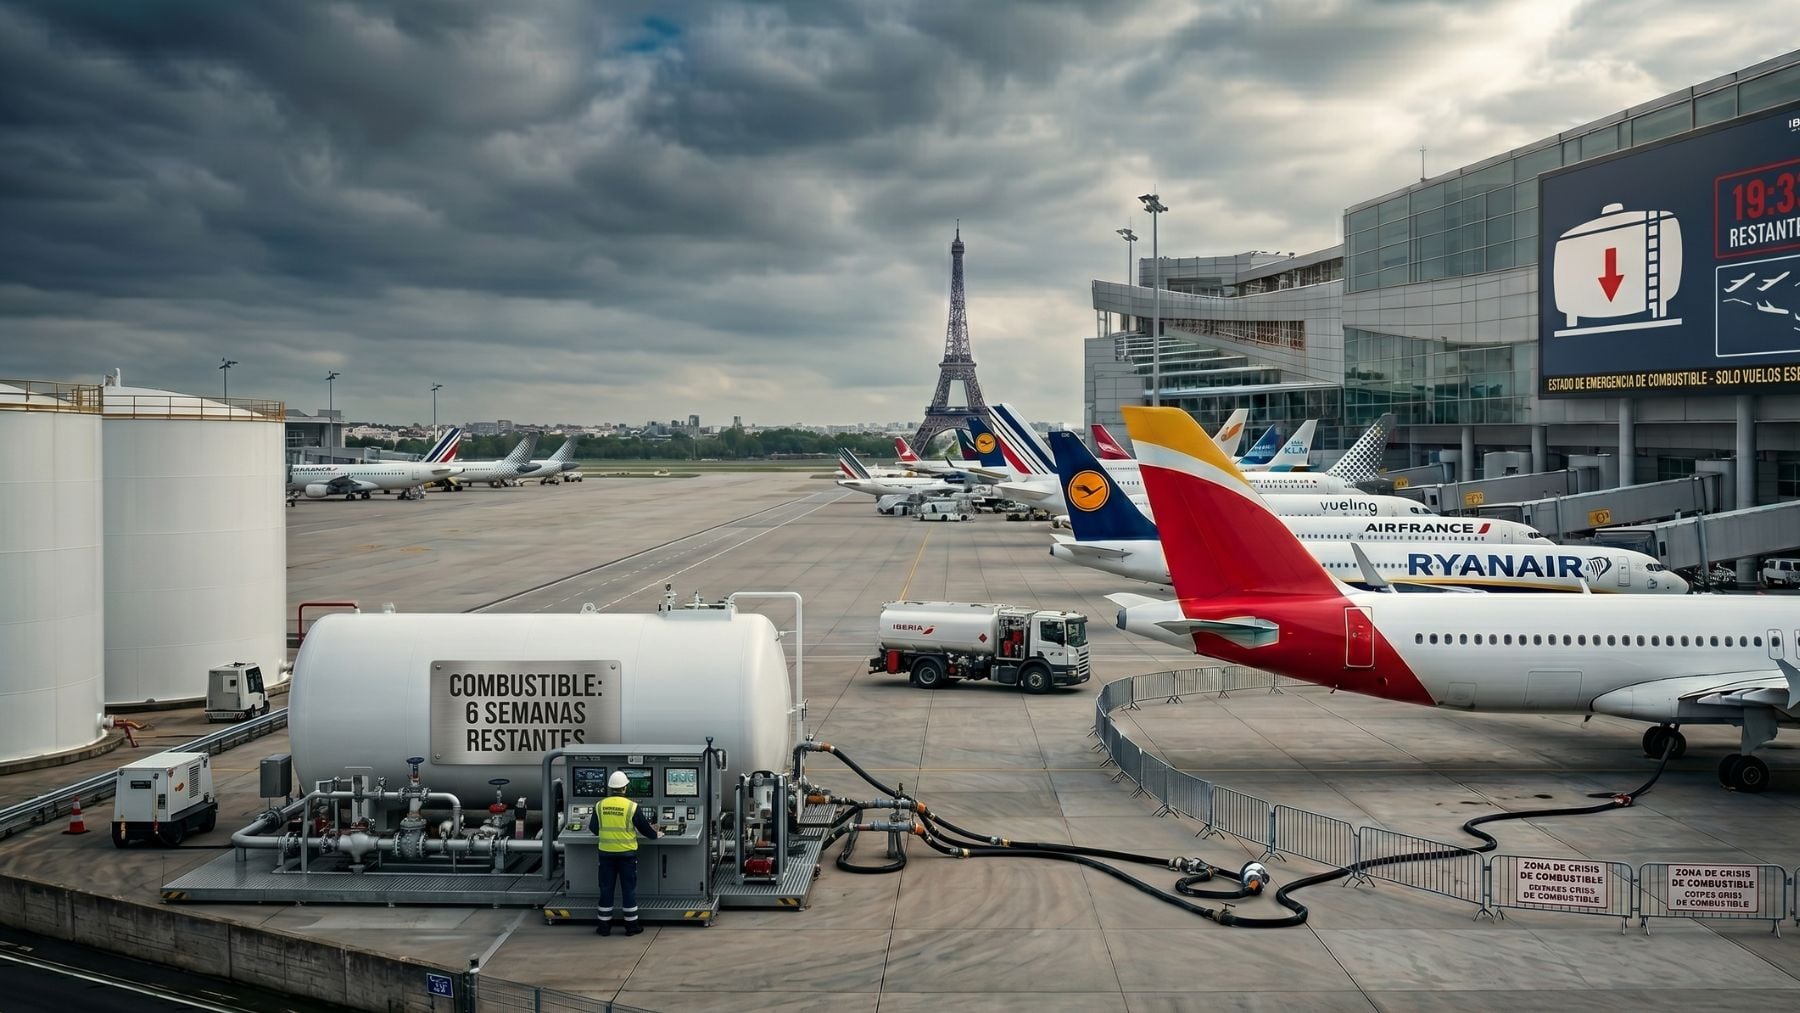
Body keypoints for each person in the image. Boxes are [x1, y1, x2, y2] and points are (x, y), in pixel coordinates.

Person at [595, 770, 662, 935]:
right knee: (628, 890)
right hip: (626, 856)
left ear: (611, 788)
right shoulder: (631, 806)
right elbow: (645, 829)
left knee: (606, 890)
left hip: (606, 855)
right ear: (625, 787)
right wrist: (656, 834)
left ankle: (603, 928)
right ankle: (631, 927)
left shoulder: (600, 805)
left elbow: (594, 828)